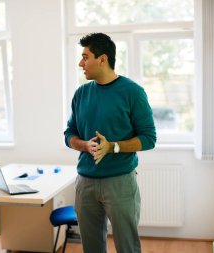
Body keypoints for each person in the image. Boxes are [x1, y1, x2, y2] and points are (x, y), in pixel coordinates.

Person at [64, 33, 156, 253]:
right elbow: (69, 134)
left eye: (85, 57)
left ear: (102, 59)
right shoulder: (81, 93)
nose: (80, 63)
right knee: (92, 248)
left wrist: (113, 146)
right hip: (85, 183)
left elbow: (149, 138)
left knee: (127, 247)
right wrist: (85, 145)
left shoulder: (132, 92)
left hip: (120, 183)